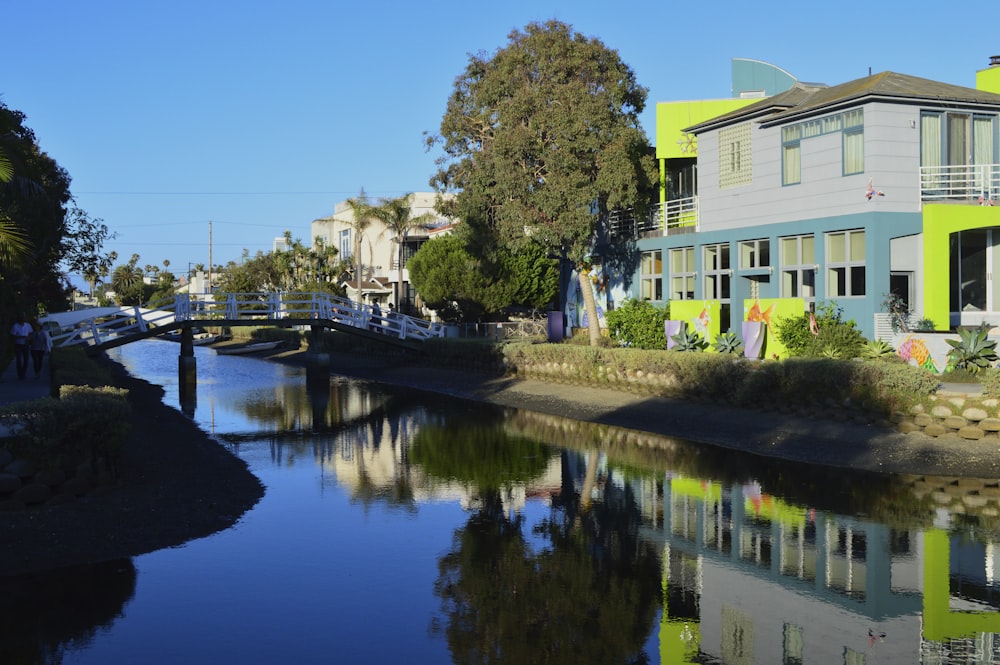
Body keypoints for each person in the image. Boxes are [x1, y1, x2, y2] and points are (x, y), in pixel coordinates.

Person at [9, 313, 32, 380]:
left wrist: (29, 338)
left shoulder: (27, 325)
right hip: (18, 344)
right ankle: (20, 374)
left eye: (23, 317)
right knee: (19, 360)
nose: (22, 319)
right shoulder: (15, 326)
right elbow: (12, 336)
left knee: (26, 360)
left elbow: (31, 333)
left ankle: (23, 373)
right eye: (21, 317)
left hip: (26, 344)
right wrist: (20, 337)